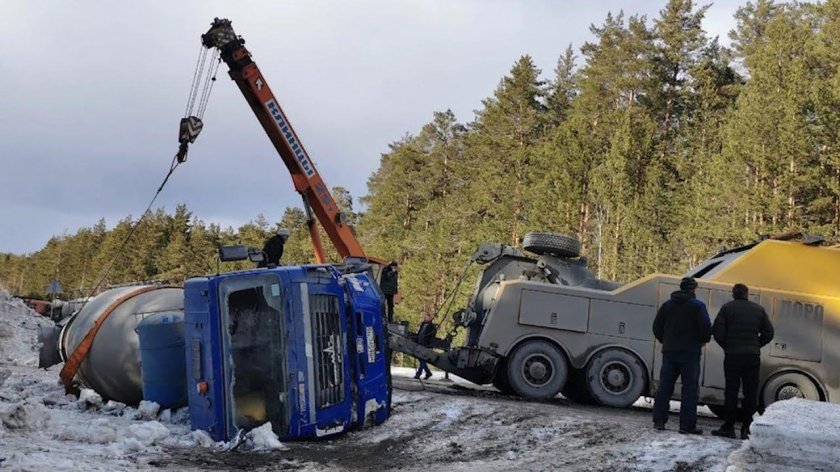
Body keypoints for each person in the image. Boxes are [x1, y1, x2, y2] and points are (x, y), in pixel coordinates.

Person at [711, 283, 774, 440]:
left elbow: (717, 332)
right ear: (747, 294)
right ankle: (747, 427)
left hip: (733, 356)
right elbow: (769, 332)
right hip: (752, 356)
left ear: (734, 294)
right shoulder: (758, 310)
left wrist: (727, 346)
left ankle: (729, 427)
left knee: (731, 391)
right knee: (750, 392)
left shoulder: (727, 308)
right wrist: (757, 344)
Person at [652, 276, 712, 435]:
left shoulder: (667, 305)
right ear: (693, 289)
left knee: (665, 386)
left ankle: (659, 420)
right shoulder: (698, 306)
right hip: (690, 353)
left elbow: (656, 327)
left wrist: (665, 341)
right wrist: (701, 341)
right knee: (690, 389)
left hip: (670, 351)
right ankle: (686, 425)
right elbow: (706, 329)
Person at [414, 312, 436, 380]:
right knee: (421, 359)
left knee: (423, 359)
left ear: (430, 318)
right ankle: (428, 373)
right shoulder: (423, 324)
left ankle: (418, 374)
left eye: (426, 317)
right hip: (420, 343)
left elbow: (432, 336)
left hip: (426, 345)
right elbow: (420, 333)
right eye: (424, 317)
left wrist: (429, 345)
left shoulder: (432, 327)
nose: (424, 318)